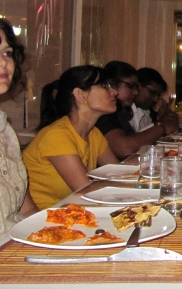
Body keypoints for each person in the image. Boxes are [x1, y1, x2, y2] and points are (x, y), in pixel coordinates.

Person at [24, 65, 120, 209]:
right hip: (45, 217)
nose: (114, 92)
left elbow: (118, 175)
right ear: (80, 95)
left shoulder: (93, 134)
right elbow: (88, 192)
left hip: (73, 213)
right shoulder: (57, 136)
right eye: (104, 86)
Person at [0, 14, 38, 244]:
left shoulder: (3, 129)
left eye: (7, 53)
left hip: (17, 249)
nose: (3, 63)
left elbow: (27, 210)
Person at [96, 61, 179, 159]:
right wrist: (162, 126)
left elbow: (125, 159)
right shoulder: (104, 113)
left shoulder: (123, 111)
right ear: (111, 84)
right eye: (131, 86)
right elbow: (125, 148)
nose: (136, 92)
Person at [130, 67, 174, 132]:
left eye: (158, 95)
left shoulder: (145, 110)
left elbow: (145, 132)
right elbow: (134, 137)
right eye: (152, 93)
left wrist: (161, 117)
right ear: (138, 86)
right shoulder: (123, 110)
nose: (155, 99)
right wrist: (160, 122)